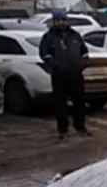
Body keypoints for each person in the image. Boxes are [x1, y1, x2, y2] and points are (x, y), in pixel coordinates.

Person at [39, 9, 91, 139]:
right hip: (59, 77)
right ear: (54, 21)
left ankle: (80, 127)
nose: (61, 23)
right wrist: (54, 66)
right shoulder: (49, 37)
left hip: (76, 75)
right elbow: (44, 54)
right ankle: (63, 130)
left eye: (63, 20)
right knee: (60, 104)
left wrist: (82, 64)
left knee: (79, 102)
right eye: (58, 20)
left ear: (67, 21)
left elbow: (84, 52)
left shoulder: (75, 35)